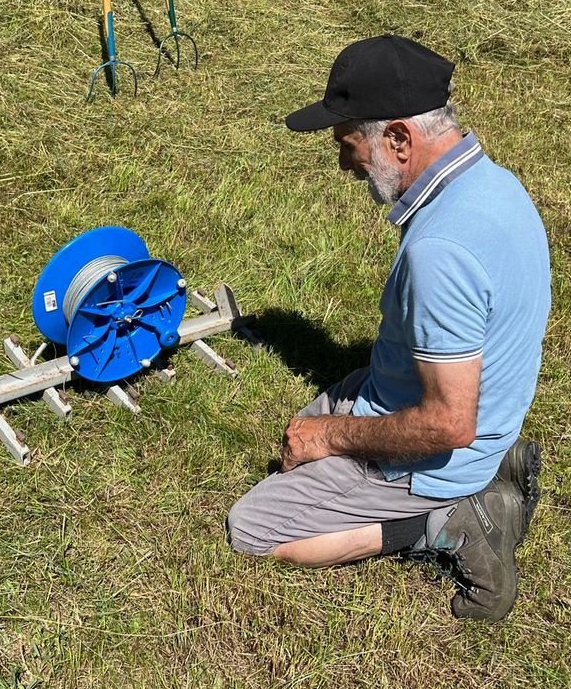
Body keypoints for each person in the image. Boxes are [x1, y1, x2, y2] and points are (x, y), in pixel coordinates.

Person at [226, 35, 551, 622]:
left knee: (254, 528)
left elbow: (449, 423)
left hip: (445, 449)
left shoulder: (441, 252)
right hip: (480, 416)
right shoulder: (492, 185)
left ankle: (447, 520)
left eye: (348, 142)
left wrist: (331, 436)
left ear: (398, 139)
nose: (345, 162)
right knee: (311, 423)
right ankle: (494, 466)